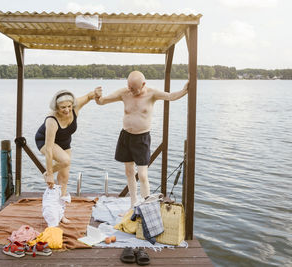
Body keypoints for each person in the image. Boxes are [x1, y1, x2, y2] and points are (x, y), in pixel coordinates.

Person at [94, 71, 189, 209]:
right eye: (129, 87)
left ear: (143, 84)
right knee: (129, 172)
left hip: (142, 138)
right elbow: (102, 102)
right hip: (126, 136)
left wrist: (185, 90)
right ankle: (133, 203)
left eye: (133, 88)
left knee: (143, 175)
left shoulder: (152, 93)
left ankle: (146, 207)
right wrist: (97, 96)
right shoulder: (124, 92)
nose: (130, 90)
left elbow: (171, 96)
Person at [35, 89, 97, 222]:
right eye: (63, 107)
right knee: (65, 160)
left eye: (69, 106)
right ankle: (47, 174)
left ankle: (61, 213)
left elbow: (87, 96)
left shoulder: (75, 107)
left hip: (65, 143)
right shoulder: (51, 120)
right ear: (56, 107)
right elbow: (50, 149)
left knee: (64, 178)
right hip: (45, 142)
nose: (67, 110)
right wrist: (50, 173)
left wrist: (95, 93)